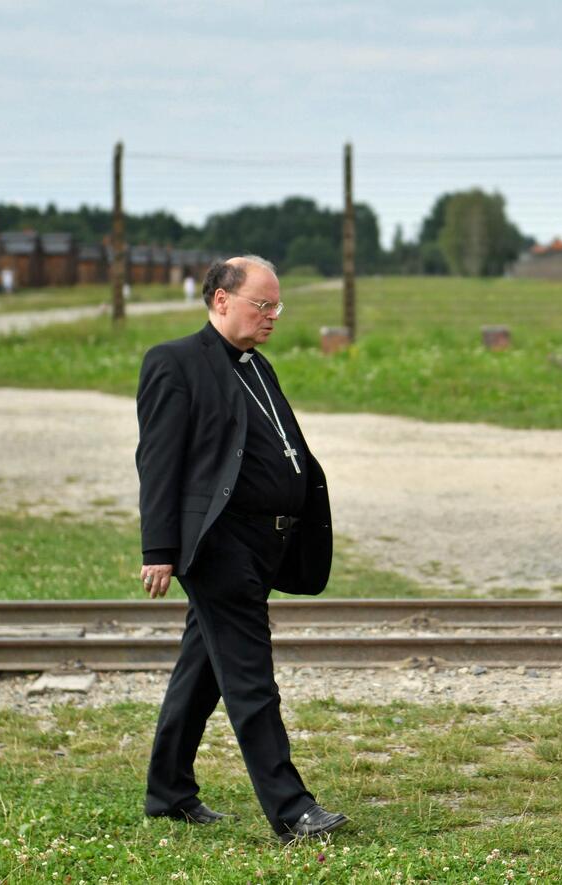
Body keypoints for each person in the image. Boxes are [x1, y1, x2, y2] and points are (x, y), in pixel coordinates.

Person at [136, 255, 348, 842]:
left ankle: (168, 791)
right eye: (263, 304)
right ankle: (292, 809)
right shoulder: (174, 362)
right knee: (251, 679)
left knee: (201, 670)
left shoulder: (258, 366)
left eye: (277, 306)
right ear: (221, 299)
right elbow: (156, 464)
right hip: (218, 543)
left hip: (266, 542)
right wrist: (159, 548)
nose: (272, 316)